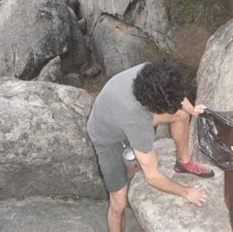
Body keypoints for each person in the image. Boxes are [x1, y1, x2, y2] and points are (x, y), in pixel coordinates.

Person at [87, 60, 214, 232]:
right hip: (107, 138)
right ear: (154, 106)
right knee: (118, 202)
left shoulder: (154, 72)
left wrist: (192, 110)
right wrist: (186, 192)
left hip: (124, 114)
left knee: (182, 114)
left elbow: (175, 92)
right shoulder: (137, 118)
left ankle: (184, 162)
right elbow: (152, 176)